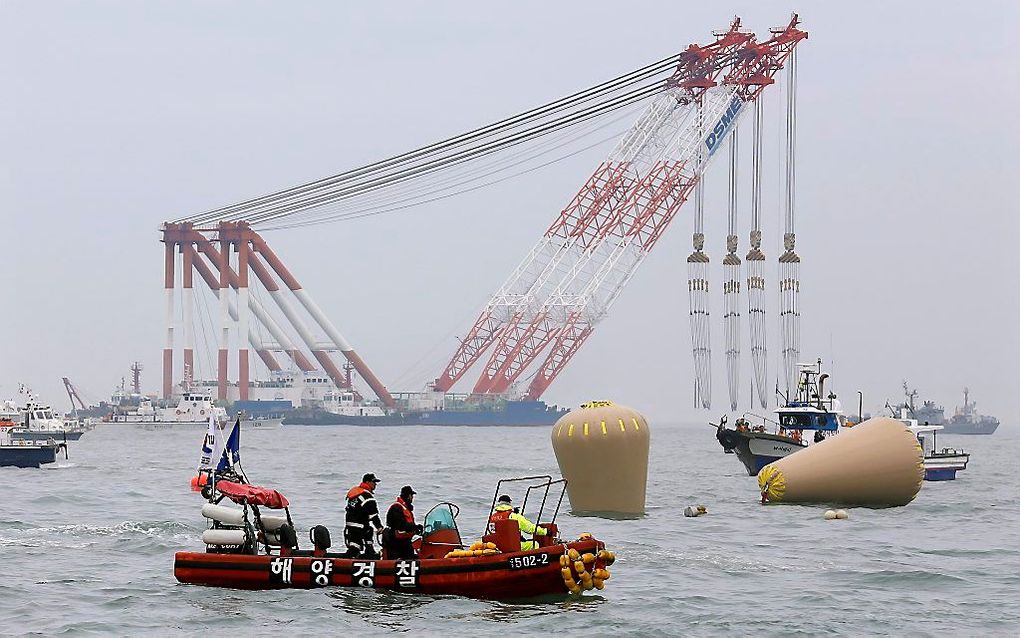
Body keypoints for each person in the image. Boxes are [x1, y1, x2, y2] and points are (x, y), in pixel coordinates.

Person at [344, 473, 384, 558]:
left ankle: (365, 555)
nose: (375, 484)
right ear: (367, 482)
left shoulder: (355, 494)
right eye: (374, 482)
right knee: (357, 547)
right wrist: (379, 527)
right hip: (360, 526)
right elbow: (373, 515)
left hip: (350, 526)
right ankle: (368, 556)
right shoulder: (367, 496)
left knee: (355, 545)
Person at [383, 485, 424, 559]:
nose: (412, 498)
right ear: (408, 496)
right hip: (396, 541)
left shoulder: (405, 508)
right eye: (412, 496)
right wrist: (415, 527)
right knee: (401, 558)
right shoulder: (397, 507)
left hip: (404, 540)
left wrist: (416, 529)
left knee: (410, 555)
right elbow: (401, 525)